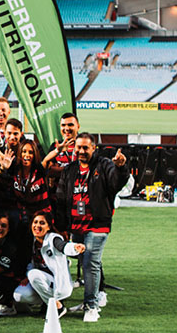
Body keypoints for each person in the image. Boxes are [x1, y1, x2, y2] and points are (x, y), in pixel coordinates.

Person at [55, 133, 128, 322]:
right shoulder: (70, 170)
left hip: (97, 225)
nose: (81, 151)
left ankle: (92, 305)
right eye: (78, 147)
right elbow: (62, 198)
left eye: (85, 148)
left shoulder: (104, 166)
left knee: (90, 263)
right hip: (76, 227)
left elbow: (116, 184)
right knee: (84, 261)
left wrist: (121, 168)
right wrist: (62, 226)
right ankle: (93, 298)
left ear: (93, 148)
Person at [13, 211, 85, 317]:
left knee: (33, 274)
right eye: (35, 222)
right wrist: (28, 275)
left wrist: (74, 248)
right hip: (43, 282)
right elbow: (32, 263)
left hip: (58, 283)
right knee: (19, 295)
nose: (37, 226)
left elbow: (63, 246)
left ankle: (58, 307)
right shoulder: (32, 241)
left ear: (48, 227)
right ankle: (49, 304)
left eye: (42, 223)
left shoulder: (53, 238)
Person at [43, 112, 80, 189]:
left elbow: (85, 170)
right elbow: (48, 170)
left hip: (78, 194)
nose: (66, 128)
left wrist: (59, 169)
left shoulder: (83, 146)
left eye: (70, 125)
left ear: (78, 126)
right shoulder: (55, 146)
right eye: (63, 125)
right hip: (57, 195)